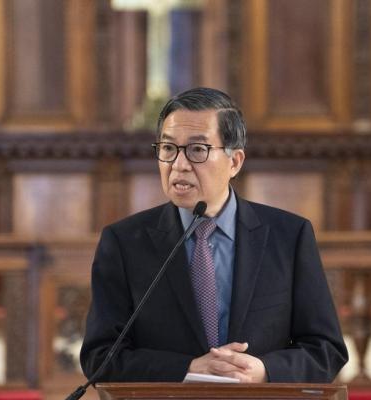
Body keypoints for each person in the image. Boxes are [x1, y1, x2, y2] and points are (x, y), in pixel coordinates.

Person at [80, 87, 347, 383]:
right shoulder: (124, 242)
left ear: (235, 162)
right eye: (168, 149)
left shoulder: (289, 237)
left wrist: (265, 371)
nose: (178, 165)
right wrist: (189, 368)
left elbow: (326, 350)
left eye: (197, 150)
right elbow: (100, 357)